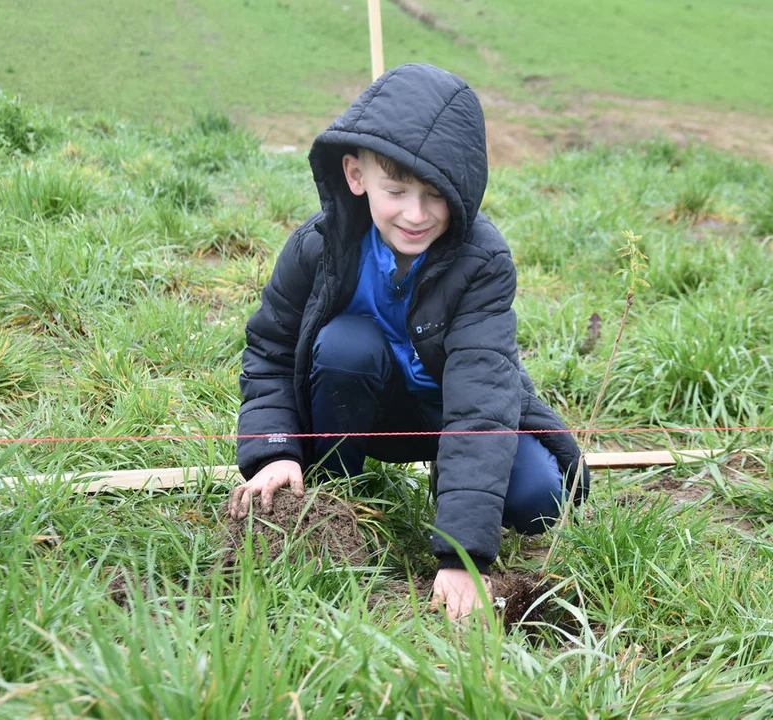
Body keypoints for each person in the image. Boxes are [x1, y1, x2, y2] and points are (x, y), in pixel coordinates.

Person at [227, 63, 589, 620]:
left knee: (541, 500)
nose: (415, 215)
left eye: (435, 195)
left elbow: (481, 399)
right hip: (355, 406)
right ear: (355, 175)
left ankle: (453, 481)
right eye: (395, 191)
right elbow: (270, 352)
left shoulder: (482, 263)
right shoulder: (316, 247)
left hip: (448, 412)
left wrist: (463, 553)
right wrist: (274, 451)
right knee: (347, 344)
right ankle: (334, 492)